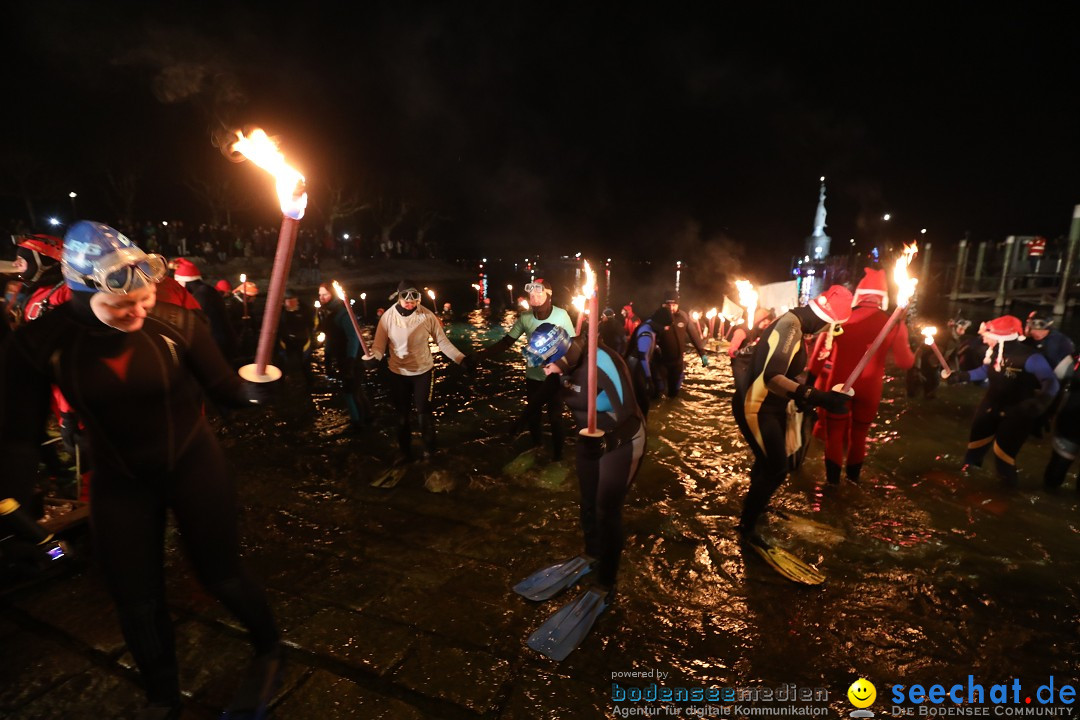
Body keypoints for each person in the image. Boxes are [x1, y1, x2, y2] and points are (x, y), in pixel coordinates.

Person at [0, 222, 281, 718]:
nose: (139, 311)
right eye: (122, 305)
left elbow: (226, 394)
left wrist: (253, 388)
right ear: (84, 291)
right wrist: (13, 496)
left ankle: (268, 648)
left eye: (146, 298)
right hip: (119, 479)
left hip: (194, 464)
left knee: (222, 576)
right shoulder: (39, 342)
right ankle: (161, 694)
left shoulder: (178, 324)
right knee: (135, 596)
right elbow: (19, 435)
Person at [513, 322, 646, 660]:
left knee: (606, 509)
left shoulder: (601, 362)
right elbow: (549, 389)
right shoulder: (561, 364)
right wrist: (521, 419)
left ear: (560, 354)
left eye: (546, 362)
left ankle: (605, 581)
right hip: (590, 442)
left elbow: (629, 414)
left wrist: (606, 442)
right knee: (586, 502)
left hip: (621, 441)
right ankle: (591, 552)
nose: (544, 369)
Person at [732, 285, 853, 539]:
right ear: (826, 320)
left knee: (767, 462)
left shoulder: (794, 324)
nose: (827, 332)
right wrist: (818, 397)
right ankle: (747, 528)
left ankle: (756, 509)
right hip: (756, 406)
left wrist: (804, 401)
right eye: (832, 326)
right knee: (777, 468)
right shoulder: (790, 327)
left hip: (769, 406)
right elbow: (773, 377)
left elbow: (784, 376)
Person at [815, 268, 914, 483]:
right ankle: (853, 483)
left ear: (858, 293)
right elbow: (905, 362)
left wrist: (811, 379)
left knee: (834, 436)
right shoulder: (894, 323)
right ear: (884, 297)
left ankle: (831, 487)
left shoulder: (840, 318)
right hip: (871, 389)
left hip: (839, 384)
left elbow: (819, 356)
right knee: (859, 437)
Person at [364, 279, 472, 460]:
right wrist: (372, 359)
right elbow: (379, 347)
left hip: (423, 372)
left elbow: (442, 342)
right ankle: (405, 453)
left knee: (424, 414)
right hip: (398, 373)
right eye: (405, 297)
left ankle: (430, 452)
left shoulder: (427, 316)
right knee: (402, 417)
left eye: (414, 297)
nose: (409, 301)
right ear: (398, 297)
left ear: (419, 299)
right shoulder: (388, 317)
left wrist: (462, 360)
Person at [946, 315, 1059, 485]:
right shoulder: (994, 352)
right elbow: (985, 371)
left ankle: (1006, 497)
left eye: (986, 334)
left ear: (1000, 336)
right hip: (990, 406)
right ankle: (965, 487)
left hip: (1018, 412)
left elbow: (1051, 382)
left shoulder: (1030, 357)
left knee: (1003, 460)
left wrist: (1040, 403)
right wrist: (961, 376)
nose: (982, 337)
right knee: (973, 453)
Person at [475, 278, 576, 460]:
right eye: (532, 295)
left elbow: (574, 345)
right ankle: (538, 448)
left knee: (555, 418)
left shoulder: (561, 315)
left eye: (540, 294)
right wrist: (480, 355)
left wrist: (571, 371)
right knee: (533, 417)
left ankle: (558, 457)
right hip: (533, 377)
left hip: (555, 378)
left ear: (549, 296)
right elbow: (506, 342)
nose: (535, 298)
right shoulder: (525, 318)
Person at [644, 291, 709, 398]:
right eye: (668, 305)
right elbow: (647, 335)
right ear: (663, 305)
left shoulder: (683, 317)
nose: (671, 308)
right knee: (658, 392)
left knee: (674, 394)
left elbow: (694, 336)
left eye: (674, 305)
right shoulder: (656, 317)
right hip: (661, 362)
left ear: (678, 304)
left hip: (677, 363)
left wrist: (702, 354)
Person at [172, 258, 236, 361]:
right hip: (221, 342)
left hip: (218, 345)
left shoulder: (202, 294)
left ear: (184, 281)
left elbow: (196, 322)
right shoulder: (206, 290)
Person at [1023, 310, 1075, 437]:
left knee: (1046, 400)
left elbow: (1052, 371)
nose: (1035, 332)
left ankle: (1038, 427)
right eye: (1032, 328)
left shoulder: (1056, 343)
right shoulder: (1035, 339)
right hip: (1047, 373)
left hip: (1058, 374)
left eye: (1038, 330)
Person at [277, 289, 314, 384]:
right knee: (284, 363)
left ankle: (309, 383)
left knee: (305, 364)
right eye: (289, 301)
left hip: (302, 340)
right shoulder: (279, 311)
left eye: (294, 300)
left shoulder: (305, 309)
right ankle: (283, 382)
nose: (292, 303)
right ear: (284, 302)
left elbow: (311, 324)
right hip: (286, 341)